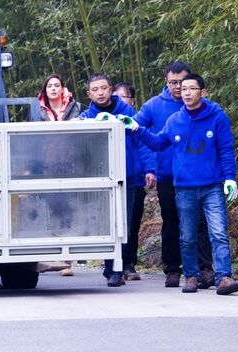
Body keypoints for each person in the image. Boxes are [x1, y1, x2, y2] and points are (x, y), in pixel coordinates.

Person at [129, 73, 238, 295]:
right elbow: (157, 143)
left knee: (218, 232)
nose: (187, 92)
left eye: (192, 88)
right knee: (187, 234)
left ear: (203, 92)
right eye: (183, 88)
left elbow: (227, 149)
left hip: (212, 186)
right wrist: (136, 128)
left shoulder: (217, 117)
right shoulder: (175, 120)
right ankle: (191, 276)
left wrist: (230, 177)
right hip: (184, 187)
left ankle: (224, 277)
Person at [133, 61, 214, 288]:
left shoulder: (205, 107)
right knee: (172, 221)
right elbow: (137, 130)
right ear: (166, 82)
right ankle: (172, 268)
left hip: (199, 177)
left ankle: (205, 268)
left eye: (183, 83)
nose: (179, 88)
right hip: (168, 175)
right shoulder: (153, 106)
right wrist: (149, 165)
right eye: (173, 83)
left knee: (200, 223)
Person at [79, 74, 152, 287]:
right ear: (89, 94)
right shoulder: (86, 117)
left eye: (104, 88)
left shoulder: (128, 113)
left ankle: (117, 267)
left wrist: (150, 168)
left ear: (110, 89)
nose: (100, 92)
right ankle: (112, 269)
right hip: (99, 178)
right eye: (95, 89)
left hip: (126, 177)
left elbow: (143, 142)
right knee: (105, 224)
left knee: (125, 225)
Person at [38, 74, 82, 276]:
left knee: (68, 209)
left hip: (70, 165)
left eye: (57, 85)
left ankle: (66, 260)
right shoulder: (37, 111)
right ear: (45, 90)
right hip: (47, 166)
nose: (53, 89)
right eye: (50, 86)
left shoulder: (76, 108)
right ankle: (53, 252)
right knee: (52, 208)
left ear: (63, 88)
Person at [113, 82, 156, 280]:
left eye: (125, 97)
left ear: (132, 100)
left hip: (134, 179)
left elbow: (144, 146)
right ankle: (114, 264)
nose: (121, 101)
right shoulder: (105, 118)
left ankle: (129, 264)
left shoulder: (134, 121)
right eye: (117, 97)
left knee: (131, 223)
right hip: (112, 179)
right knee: (113, 223)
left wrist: (149, 169)